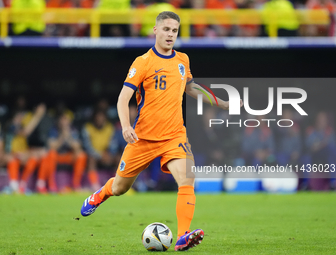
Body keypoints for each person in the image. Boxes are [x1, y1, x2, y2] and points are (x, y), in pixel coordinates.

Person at [80, 11, 241, 251]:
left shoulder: (183, 60)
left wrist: (222, 102)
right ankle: (100, 195)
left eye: (174, 31)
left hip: (174, 135)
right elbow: (123, 99)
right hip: (142, 138)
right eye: (166, 29)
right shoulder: (143, 62)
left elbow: (191, 87)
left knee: (187, 179)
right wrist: (125, 126)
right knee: (120, 188)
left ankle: (183, 236)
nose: (170, 35)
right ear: (155, 30)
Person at [81, 110, 115, 191]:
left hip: (106, 154)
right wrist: (100, 155)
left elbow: (114, 143)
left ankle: (117, 183)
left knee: (119, 158)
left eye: (102, 117)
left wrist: (109, 152)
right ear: (94, 118)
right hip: (94, 155)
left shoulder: (109, 127)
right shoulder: (87, 128)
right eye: (98, 117)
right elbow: (87, 146)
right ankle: (95, 185)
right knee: (91, 159)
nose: (100, 119)